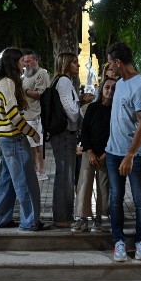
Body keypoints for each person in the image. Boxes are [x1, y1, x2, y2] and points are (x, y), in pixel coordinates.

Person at [0, 47, 48, 231]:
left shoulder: (2, 82)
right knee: (26, 181)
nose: (24, 65)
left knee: (6, 181)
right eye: (22, 61)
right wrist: (32, 132)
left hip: (4, 138)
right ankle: (30, 221)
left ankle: (0, 219)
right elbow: (13, 114)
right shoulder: (8, 83)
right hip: (12, 137)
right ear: (14, 63)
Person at [105, 41, 141, 262]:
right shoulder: (120, 83)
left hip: (135, 155)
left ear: (117, 62)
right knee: (115, 198)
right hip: (113, 152)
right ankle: (119, 241)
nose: (109, 67)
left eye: (109, 63)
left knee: (139, 198)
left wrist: (130, 155)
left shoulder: (140, 86)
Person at [71, 76, 117, 233]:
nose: (110, 91)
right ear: (102, 89)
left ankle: (99, 219)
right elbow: (85, 131)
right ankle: (82, 218)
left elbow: (116, 134)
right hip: (89, 151)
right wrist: (89, 152)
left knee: (104, 186)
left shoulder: (116, 110)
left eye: (113, 88)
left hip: (107, 153)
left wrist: (105, 154)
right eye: (107, 87)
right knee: (84, 183)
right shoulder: (92, 108)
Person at [50, 52, 82, 228]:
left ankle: (63, 216)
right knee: (65, 176)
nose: (78, 65)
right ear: (66, 64)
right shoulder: (64, 82)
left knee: (65, 175)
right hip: (64, 134)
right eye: (74, 62)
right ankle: (63, 217)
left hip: (63, 135)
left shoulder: (60, 81)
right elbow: (72, 112)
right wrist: (81, 101)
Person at [21, 49, 50, 180]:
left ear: (36, 61)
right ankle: (35, 170)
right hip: (26, 115)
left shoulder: (41, 73)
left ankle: (40, 171)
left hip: (36, 115)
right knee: (31, 146)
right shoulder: (25, 76)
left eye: (29, 61)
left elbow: (40, 93)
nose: (26, 64)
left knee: (37, 145)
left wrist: (24, 91)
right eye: (24, 61)